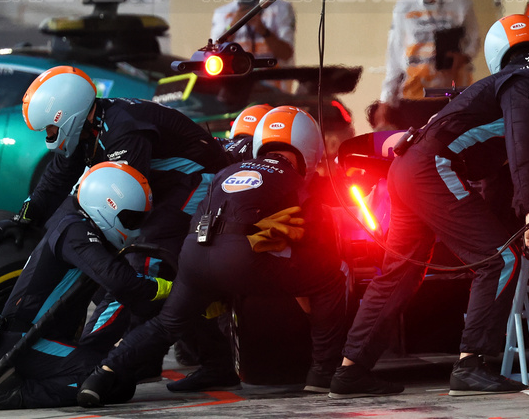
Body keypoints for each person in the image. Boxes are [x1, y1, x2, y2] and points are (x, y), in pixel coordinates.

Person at [331, 40, 529, 398]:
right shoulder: (525, 85)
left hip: (408, 168)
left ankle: (351, 371)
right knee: (505, 258)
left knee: (400, 272)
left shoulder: (513, 82)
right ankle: (471, 364)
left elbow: (499, 169)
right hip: (432, 168)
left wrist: (517, 212)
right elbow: (522, 152)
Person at [77, 107, 349, 405]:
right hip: (241, 257)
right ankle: (323, 372)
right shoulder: (299, 183)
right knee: (330, 279)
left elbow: (200, 214)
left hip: (195, 252)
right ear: (311, 147)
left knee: (167, 324)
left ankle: (102, 374)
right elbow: (315, 242)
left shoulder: (228, 170)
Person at [0, 66, 230, 375]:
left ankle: (132, 359)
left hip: (198, 181)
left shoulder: (123, 130)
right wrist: (25, 217)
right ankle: (205, 358)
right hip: (164, 186)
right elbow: (59, 175)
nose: (47, 137)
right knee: (132, 269)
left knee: (141, 261)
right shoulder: (89, 127)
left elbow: (126, 200)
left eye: (49, 128)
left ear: (67, 115)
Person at [0, 162, 165, 410]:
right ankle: (14, 393)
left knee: (116, 371)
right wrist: (168, 289)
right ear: (107, 205)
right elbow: (120, 281)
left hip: (40, 340)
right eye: (131, 217)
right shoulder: (75, 231)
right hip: (23, 343)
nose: (135, 226)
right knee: (112, 380)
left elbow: (119, 292)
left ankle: (69, 369)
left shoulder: (84, 231)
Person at [374, 0, 479, 129]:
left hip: (452, 94)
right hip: (415, 95)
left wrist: (463, 57)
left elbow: (474, 41)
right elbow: (395, 54)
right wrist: (386, 99)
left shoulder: (462, 5)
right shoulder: (404, 8)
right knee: (415, 151)